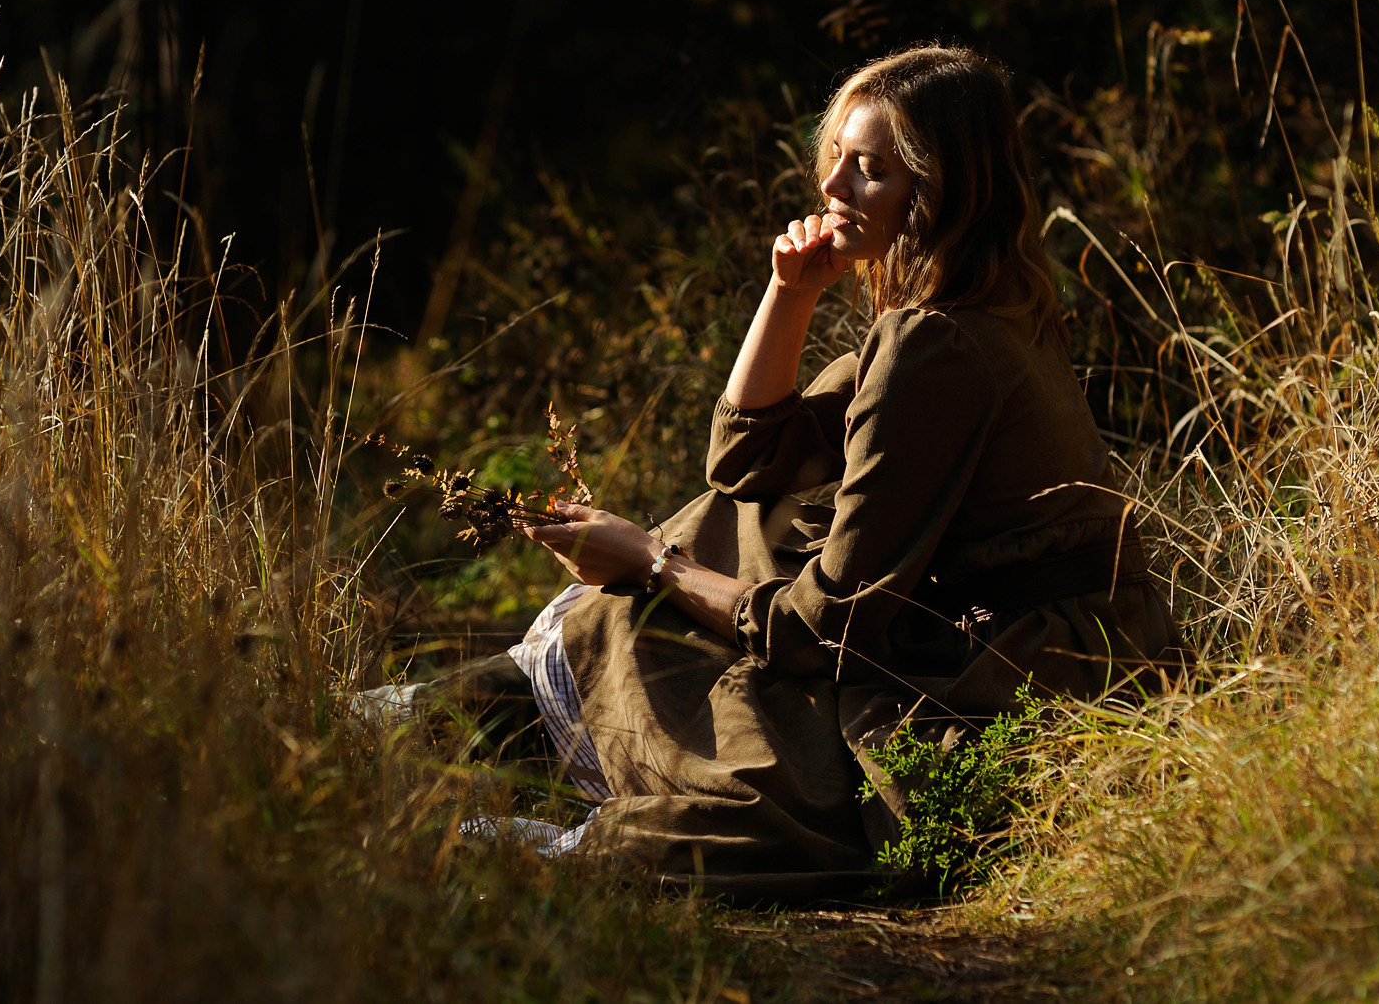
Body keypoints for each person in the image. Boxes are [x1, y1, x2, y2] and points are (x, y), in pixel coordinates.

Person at [502, 44, 1185, 899]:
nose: (833, 189)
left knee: (730, 691)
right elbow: (745, 459)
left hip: (1016, 666)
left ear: (937, 195)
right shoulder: (987, 302)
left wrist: (650, 562)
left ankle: (509, 725)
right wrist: (789, 292)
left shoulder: (936, 343)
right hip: (1081, 640)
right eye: (838, 162)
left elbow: (828, 629)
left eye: (870, 171)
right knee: (745, 520)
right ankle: (494, 704)